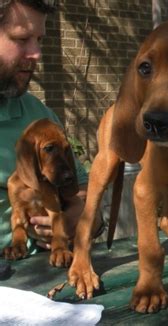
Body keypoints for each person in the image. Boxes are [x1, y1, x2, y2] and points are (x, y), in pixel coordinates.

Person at [0, 0, 103, 253]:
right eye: (22, 39)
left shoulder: (39, 117)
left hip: (50, 274)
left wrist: (85, 216)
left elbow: (81, 192)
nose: (36, 53)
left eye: (40, 40)